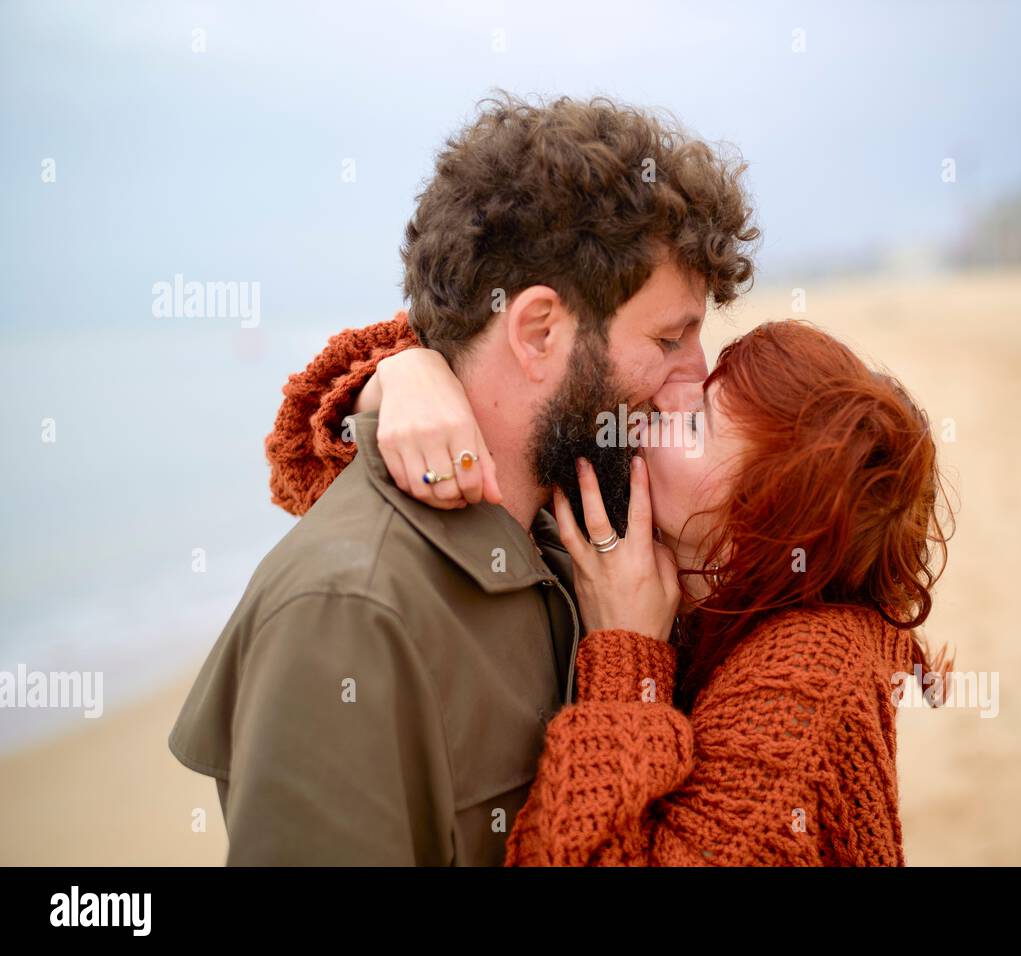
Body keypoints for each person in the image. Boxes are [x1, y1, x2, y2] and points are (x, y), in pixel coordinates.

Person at [166, 90, 759, 865]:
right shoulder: (348, 612)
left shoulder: (582, 525)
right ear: (539, 331)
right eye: (670, 338)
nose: (695, 377)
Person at [269, 316, 955, 866]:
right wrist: (403, 376)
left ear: (748, 533)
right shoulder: (674, 565)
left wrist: (625, 660)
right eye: (703, 377)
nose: (670, 390)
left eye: (697, 421)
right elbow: (308, 465)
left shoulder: (808, 677)